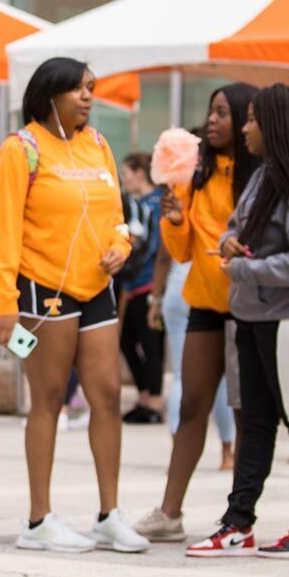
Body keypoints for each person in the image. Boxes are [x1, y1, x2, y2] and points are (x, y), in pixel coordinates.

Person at [0, 57, 148, 556]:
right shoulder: (22, 149)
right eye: (78, 88)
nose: (87, 96)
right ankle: (38, 520)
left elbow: (117, 217)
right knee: (49, 400)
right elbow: (4, 231)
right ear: (49, 92)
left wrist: (121, 246)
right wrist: (4, 304)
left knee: (107, 396)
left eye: (90, 88)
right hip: (41, 293)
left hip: (98, 288)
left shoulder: (98, 144)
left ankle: (109, 515)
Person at [187, 84, 289, 557]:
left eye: (251, 119)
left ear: (273, 125)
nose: (244, 128)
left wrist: (245, 268)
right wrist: (232, 241)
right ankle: (238, 523)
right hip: (255, 315)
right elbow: (241, 225)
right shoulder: (267, 172)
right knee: (255, 424)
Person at [135, 84, 258, 543]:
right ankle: (170, 512)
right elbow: (183, 251)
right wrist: (174, 220)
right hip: (205, 304)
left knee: (247, 412)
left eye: (224, 112)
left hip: (249, 307)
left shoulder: (256, 176)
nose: (213, 120)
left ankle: (240, 514)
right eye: (211, 111)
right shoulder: (196, 175)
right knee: (191, 406)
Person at [148, 241, 236, 469]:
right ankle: (227, 453)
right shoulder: (216, 208)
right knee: (221, 377)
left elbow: (163, 257)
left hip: (177, 290)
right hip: (210, 286)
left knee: (180, 375)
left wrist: (155, 299)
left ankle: (179, 453)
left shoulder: (180, 208)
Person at [118, 153, 164, 424]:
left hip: (150, 284)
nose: (124, 179)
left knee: (151, 343)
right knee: (127, 340)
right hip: (134, 284)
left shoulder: (156, 203)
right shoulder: (136, 204)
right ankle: (146, 395)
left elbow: (158, 248)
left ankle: (154, 402)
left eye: (127, 172)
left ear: (139, 172)